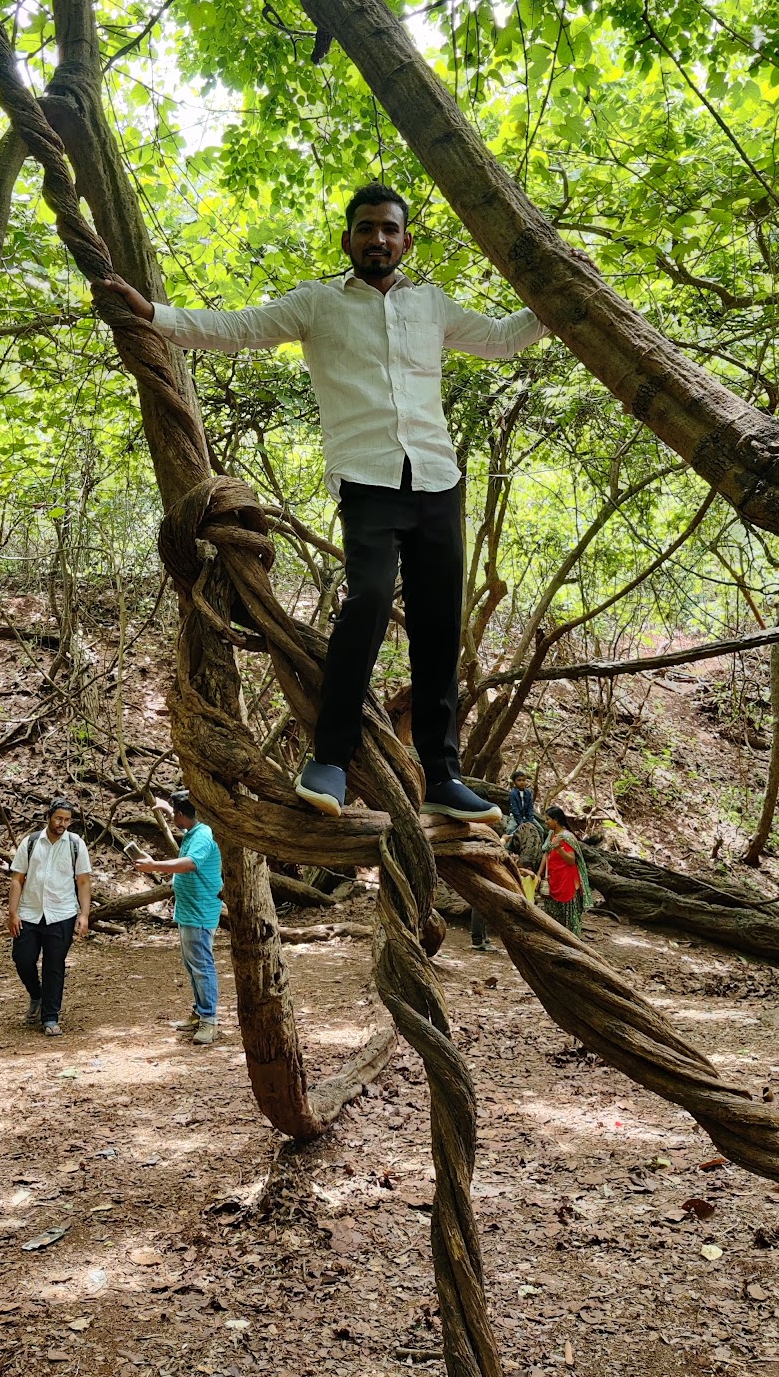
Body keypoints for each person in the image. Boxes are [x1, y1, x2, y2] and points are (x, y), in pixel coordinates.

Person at [109, 184, 546, 825]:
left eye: (390, 230)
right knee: (367, 599)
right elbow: (239, 330)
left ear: (406, 240)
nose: (378, 239)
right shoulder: (318, 304)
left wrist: (559, 299)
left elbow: (504, 340)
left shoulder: (432, 306)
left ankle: (442, 775)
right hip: (367, 479)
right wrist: (152, 313)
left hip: (436, 479)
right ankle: (331, 758)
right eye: (366, 229)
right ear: (348, 239)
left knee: (438, 628)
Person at [132, 790, 224, 1045]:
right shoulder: (193, 830)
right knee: (192, 965)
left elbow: (190, 863)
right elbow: (183, 821)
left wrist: (154, 866)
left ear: (182, 815)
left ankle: (209, 1020)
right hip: (189, 910)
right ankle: (199, 1013)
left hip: (201, 911)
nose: (173, 818)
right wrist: (165, 807)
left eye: (175, 814)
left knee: (202, 966)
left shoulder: (203, 836)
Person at [9, 798, 91, 1037]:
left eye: (67, 820)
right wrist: (12, 912)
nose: (62, 824)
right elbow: (17, 879)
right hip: (29, 912)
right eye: (58, 818)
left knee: (54, 966)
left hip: (62, 913)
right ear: (48, 817)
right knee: (22, 959)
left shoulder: (76, 844)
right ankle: (37, 994)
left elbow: (83, 881)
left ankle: (50, 1017)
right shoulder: (31, 842)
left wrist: (84, 915)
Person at [537, 805, 593, 936]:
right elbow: (546, 854)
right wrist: (539, 874)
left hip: (566, 880)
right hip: (553, 878)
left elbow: (571, 861)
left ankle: (570, 938)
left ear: (556, 820)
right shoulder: (551, 834)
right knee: (552, 910)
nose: (545, 822)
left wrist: (560, 849)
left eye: (548, 819)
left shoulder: (567, 837)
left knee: (567, 913)